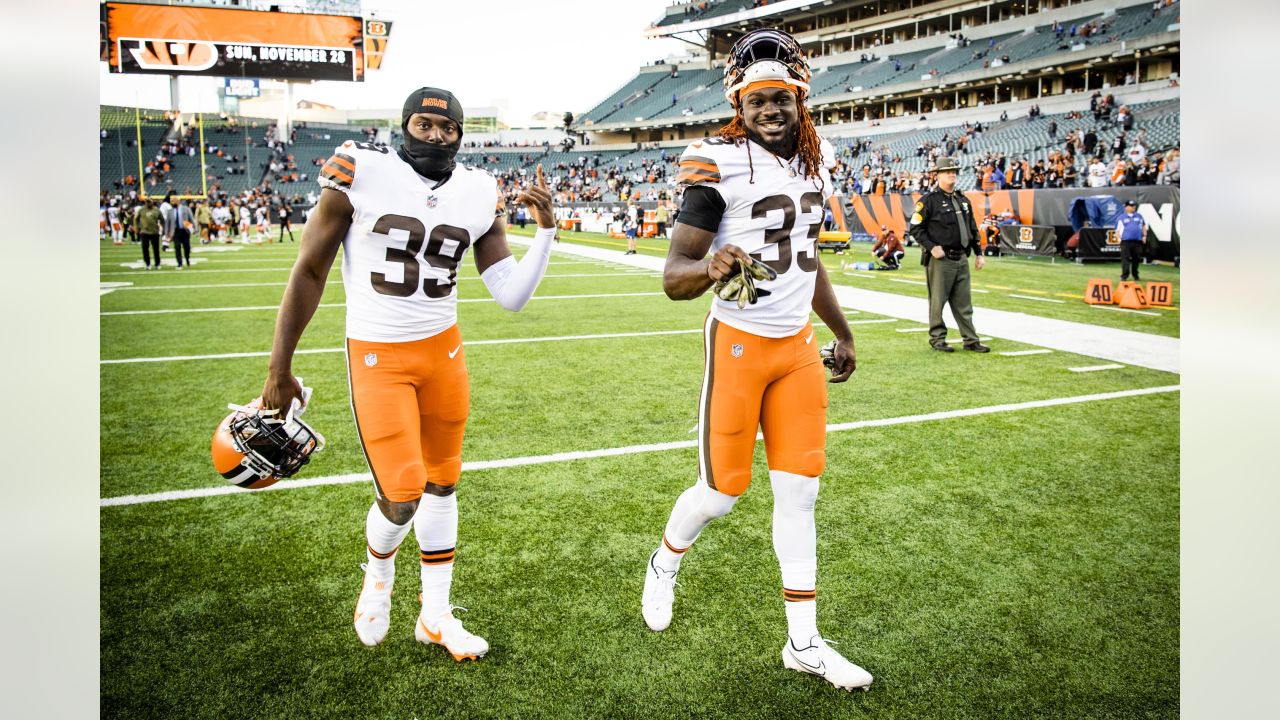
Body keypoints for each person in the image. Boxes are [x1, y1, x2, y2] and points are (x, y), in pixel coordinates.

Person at [258, 87, 557, 661]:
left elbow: (510, 295)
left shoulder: (477, 190)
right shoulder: (361, 170)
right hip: (378, 353)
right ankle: (377, 577)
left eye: (448, 129)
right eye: (424, 125)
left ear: (461, 135)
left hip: (443, 352)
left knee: (443, 483)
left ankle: (437, 616)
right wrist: (280, 366)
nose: (436, 137)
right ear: (404, 126)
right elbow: (310, 269)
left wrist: (544, 233)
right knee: (401, 493)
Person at [640, 28, 873, 693]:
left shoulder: (818, 158)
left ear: (800, 98)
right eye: (757, 99)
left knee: (800, 493)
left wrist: (843, 331)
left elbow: (809, 256)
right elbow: (673, 275)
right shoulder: (714, 161)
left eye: (782, 98)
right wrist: (709, 264)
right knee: (720, 493)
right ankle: (664, 561)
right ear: (737, 103)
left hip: (797, 348)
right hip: (738, 345)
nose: (771, 109)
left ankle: (804, 642)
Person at [907, 156, 989, 353]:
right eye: (947, 171)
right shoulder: (929, 201)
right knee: (938, 301)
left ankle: (970, 339)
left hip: (962, 257)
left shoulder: (963, 200)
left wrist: (979, 253)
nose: (952, 174)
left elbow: (972, 228)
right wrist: (931, 246)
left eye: (954, 171)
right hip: (941, 260)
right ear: (938, 175)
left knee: (964, 303)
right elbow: (915, 228)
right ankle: (937, 339)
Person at [1115, 199, 1146, 281]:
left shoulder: (1139, 216)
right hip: (1125, 241)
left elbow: (1143, 226)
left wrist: (1144, 236)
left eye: (1134, 206)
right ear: (1126, 207)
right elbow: (1117, 230)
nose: (1133, 207)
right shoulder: (1121, 218)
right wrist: (1118, 239)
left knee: (1137, 259)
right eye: (1131, 206)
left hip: (1137, 241)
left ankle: (1135, 274)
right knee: (1125, 259)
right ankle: (1124, 275)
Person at [136, 198, 163, 270]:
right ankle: (147, 263)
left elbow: (162, 219)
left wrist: (163, 229)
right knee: (145, 248)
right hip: (144, 232)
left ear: (152, 202)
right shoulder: (141, 210)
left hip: (155, 232)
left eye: (149, 202)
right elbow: (136, 219)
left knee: (156, 249)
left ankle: (157, 263)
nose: (148, 203)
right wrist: (137, 228)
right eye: (147, 202)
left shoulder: (157, 210)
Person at [168, 198, 195, 269]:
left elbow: (191, 218)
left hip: (185, 231)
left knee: (187, 247)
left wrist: (193, 229)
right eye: (171, 202)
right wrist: (168, 233)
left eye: (173, 201)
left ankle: (187, 258)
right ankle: (179, 263)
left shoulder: (185, 209)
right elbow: (168, 223)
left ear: (178, 201)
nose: (172, 203)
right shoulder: (170, 211)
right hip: (176, 231)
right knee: (177, 247)